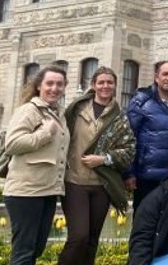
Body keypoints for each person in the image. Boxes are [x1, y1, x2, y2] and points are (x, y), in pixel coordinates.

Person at [58, 66, 136, 265]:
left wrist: (103, 159)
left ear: (115, 86)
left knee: (92, 240)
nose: (105, 86)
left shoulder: (120, 116)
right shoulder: (76, 109)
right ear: (93, 85)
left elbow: (128, 151)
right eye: (101, 82)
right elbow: (60, 138)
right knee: (79, 237)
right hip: (74, 181)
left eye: (110, 82)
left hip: (102, 184)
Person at [2, 65, 71, 265]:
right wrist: (45, 134)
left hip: (47, 190)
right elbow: (12, 144)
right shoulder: (28, 110)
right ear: (39, 86)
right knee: (24, 251)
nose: (54, 88)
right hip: (25, 192)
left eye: (59, 84)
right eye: (49, 83)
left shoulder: (58, 113)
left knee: (36, 248)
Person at [126, 60, 168, 210]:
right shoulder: (141, 102)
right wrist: (129, 173)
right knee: (145, 224)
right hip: (147, 175)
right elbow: (129, 138)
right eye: (165, 74)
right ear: (157, 77)